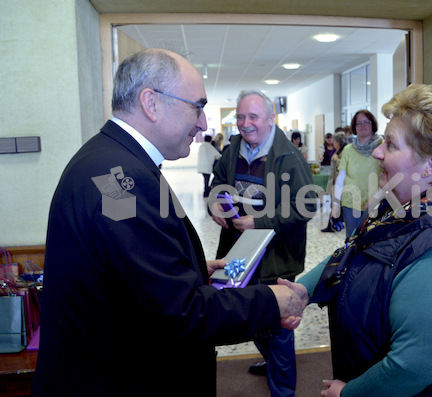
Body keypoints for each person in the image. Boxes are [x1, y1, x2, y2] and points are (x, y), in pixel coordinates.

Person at [32, 49, 308, 397]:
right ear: (151, 103)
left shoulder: (109, 163)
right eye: (197, 106)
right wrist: (271, 302)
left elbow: (130, 268)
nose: (204, 123)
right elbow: (180, 315)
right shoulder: (125, 177)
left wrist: (191, 269)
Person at [299, 84, 432, 396]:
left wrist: (349, 393)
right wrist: (303, 290)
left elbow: (411, 367)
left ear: (431, 164)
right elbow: (353, 251)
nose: (377, 151)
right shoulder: (397, 206)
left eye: (390, 145)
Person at [209, 90, 316, 397]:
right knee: (249, 315)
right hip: (238, 254)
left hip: (274, 258)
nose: (245, 124)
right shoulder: (232, 151)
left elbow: (304, 207)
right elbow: (217, 183)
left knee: (279, 323)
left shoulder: (290, 158)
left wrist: (259, 222)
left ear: (271, 118)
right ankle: (271, 360)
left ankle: (283, 390)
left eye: (253, 116)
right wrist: (215, 204)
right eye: (240, 117)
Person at [331, 110, 382, 238]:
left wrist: (375, 199)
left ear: (373, 124)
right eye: (358, 123)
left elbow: (388, 177)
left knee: (373, 240)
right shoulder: (348, 150)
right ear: (354, 127)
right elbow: (341, 178)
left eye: (366, 122)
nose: (362, 126)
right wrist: (335, 205)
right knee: (352, 240)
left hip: (376, 203)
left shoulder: (382, 147)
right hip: (350, 202)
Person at [321, 131, 347, 233]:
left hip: (338, 183)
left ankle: (333, 225)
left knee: (336, 205)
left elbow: (345, 166)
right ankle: (331, 225)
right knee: (333, 204)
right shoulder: (337, 151)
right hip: (334, 181)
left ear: (338, 142)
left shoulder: (344, 152)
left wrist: (338, 161)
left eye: (335, 141)